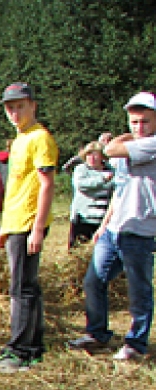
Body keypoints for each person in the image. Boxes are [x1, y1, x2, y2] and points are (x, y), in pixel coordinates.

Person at [67, 92, 156, 362]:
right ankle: (97, 333)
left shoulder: (151, 144)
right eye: (134, 122)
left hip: (141, 230)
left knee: (139, 289)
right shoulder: (129, 148)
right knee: (94, 281)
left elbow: (110, 149)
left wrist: (119, 139)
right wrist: (103, 226)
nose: (139, 128)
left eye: (145, 122)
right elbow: (119, 192)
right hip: (115, 228)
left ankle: (136, 344)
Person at [0, 83, 58, 373]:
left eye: (20, 106)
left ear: (33, 105)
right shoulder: (21, 139)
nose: (14, 112)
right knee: (27, 287)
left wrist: (37, 228)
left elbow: (47, 185)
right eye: (10, 107)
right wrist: (4, 227)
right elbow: (18, 187)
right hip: (16, 222)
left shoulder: (40, 138)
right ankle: (33, 347)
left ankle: (20, 351)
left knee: (21, 288)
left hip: (28, 223)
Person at [67, 142, 113, 250]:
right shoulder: (80, 169)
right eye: (89, 154)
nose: (92, 158)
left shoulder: (111, 170)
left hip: (103, 220)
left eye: (95, 154)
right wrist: (103, 180)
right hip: (83, 218)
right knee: (78, 252)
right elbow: (81, 185)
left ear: (102, 156)